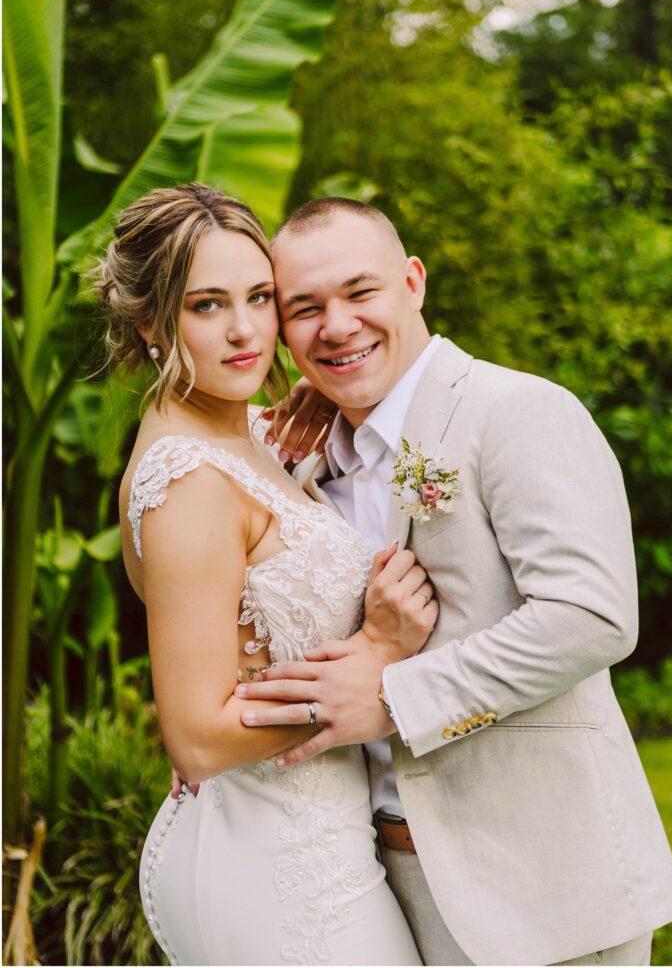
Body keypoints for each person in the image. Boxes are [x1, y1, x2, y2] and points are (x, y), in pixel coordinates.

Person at [235, 197, 672, 967]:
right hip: (375, 884)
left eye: (359, 292)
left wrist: (392, 698)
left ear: (413, 281)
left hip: (542, 882)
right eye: (303, 308)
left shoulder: (517, 412)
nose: (335, 325)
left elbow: (591, 617)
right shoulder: (302, 456)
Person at [100, 184, 438, 966]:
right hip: (271, 864)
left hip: (323, 843)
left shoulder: (252, 431)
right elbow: (197, 739)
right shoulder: (186, 478)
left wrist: (325, 398)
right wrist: (380, 668)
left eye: (259, 297)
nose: (247, 329)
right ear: (152, 323)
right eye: (207, 305)